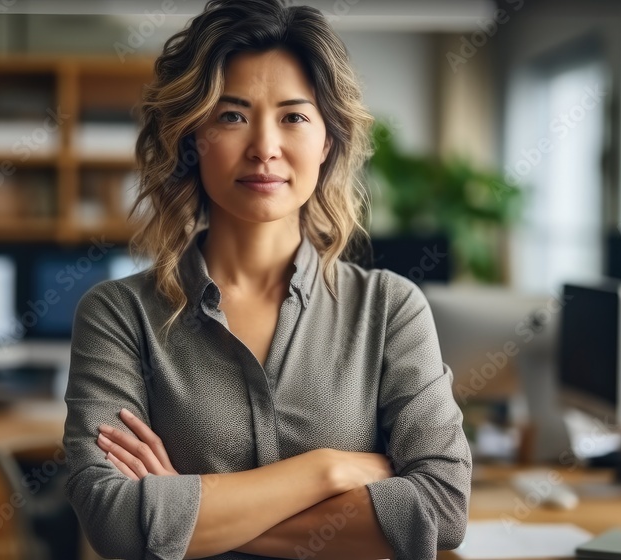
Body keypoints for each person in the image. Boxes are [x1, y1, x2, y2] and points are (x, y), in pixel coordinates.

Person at [61, 1, 471, 558]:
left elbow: (442, 509)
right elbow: (112, 522)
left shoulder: (391, 309)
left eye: (294, 116)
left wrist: (182, 506)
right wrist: (328, 471)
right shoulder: (118, 315)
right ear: (191, 139)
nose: (264, 149)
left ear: (327, 142)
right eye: (231, 116)